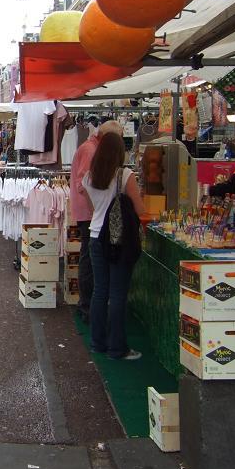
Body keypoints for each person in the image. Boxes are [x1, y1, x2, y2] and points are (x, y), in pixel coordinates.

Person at [83, 132, 145, 361]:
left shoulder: (88, 177)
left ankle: (98, 342)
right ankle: (117, 347)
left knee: (100, 291)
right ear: (120, 152)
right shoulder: (125, 175)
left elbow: (92, 210)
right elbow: (140, 209)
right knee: (118, 294)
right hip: (119, 240)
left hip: (95, 236)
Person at [70, 120, 124, 323]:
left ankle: (87, 305)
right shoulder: (91, 150)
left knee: (89, 259)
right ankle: (87, 306)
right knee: (90, 261)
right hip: (89, 214)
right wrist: (96, 208)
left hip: (89, 212)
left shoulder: (89, 147)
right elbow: (83, 183)